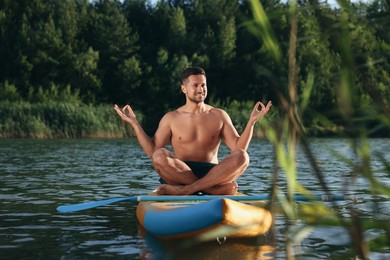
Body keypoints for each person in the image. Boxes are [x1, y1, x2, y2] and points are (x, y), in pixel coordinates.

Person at [114, 67, 272, 195]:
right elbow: (152, 151)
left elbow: (239, 147)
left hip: (214, 173)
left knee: (243, 156)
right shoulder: (171, 118)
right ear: (184, 88)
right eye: (195, 85)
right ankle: (210, 190)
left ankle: (187, 190)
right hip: (180, 172)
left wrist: (252, 122)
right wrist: (135, 124)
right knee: (159, 156)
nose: (200, 89)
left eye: (203, 85)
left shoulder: (219, 115)